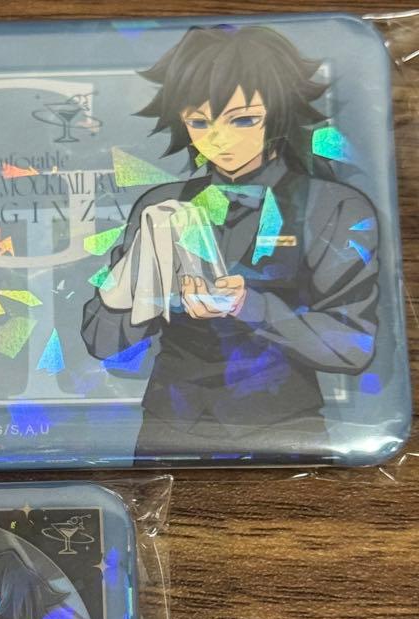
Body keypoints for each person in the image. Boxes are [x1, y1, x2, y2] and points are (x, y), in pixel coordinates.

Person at [81, 25, 380, 462]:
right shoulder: (160, 205)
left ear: (279, 113)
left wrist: (249, 306)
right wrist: (130, 282)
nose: (219, 139)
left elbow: (353, 346)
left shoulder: (332, 206)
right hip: (169, 430)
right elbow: (101, 343)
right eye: (199, 121)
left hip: (285, 433)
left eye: (243, 119)